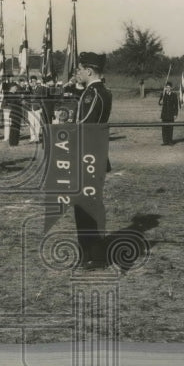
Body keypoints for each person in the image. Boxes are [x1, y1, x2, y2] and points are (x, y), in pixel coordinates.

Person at [73, 52, 113, 269]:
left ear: (88, 71)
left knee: (86, 206)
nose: (77, 73)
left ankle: (94, 255)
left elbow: (85, 125)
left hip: (87, 156)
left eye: (79, 69)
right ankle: (88, 252)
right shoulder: (101, 91)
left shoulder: (93, 94)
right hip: (94, 155)